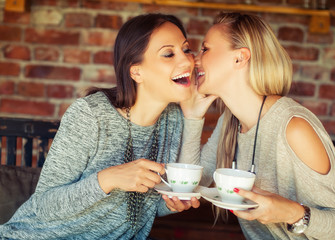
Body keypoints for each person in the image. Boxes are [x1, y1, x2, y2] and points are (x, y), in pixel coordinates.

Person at [0, 13, 200, 239]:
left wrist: (171, 204)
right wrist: (108, 179)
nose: (186, 61)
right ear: (136, 71)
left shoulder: (173, 119)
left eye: (186, 49)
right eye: (168, 54)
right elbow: (44, 206)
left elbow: (144, 209)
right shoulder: (90, 114)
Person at [179, 12, 335, 239]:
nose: (194, 59)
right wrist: (193, 118)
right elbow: (190, 185)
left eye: (205, 49)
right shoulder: (231, 121)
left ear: (240, 58)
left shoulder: (293, 127)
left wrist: (291, 212)